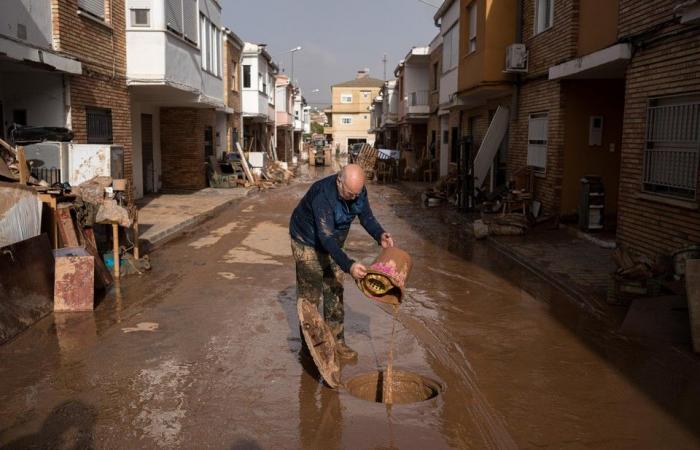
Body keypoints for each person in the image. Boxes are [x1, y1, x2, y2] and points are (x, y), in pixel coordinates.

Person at [289, 164, 394, 360]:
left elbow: (366, 216)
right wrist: (349, 265)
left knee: (335, 288)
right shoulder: (323, 196)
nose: (354, 197)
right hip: (307, 240)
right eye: (350, 193)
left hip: (334, 240)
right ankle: (310, 347)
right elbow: (325, 238)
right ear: (339, 181)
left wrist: (379, 234)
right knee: (310, 295)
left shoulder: (357, 190)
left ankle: (337, 341)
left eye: (357, 193)